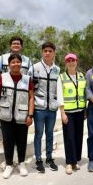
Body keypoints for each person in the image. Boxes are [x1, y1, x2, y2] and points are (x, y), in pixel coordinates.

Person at [0, 53, 34, 179]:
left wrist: (30, 115)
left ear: (21, 64)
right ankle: (9, 165)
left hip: (22, 116)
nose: (16, 64)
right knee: (8, 141)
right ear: (9, 65)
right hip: (6, 116)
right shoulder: (2, 78)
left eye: (18, 62)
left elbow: (31, 98)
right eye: (13, 62)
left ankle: (21, 164)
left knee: (22, 141)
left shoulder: (27, 79)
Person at [28, 42, 62, 173]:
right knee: (38, 134)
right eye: (45, 51)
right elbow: (29, 89)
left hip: (52, 109)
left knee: (50, 134)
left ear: (54, 53)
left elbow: (59, 90)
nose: (47, 53)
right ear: (42, 52)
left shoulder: (57, 70)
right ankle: (38, 159)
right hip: (39, 108)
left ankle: (49, 158)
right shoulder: (34, 68)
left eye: (50, 51)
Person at [59, 53, 87, 175]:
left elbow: (85, 93)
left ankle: (76, 161)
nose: (71, 62)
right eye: (68, 60)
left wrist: (86, 109)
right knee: (69, 137)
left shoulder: (81, 76)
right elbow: (60, 96)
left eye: (73, 60)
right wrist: (62, 113)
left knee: (78, 136)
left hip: (80, 111)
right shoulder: (61, 77)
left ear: (76, 62)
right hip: (68, 113)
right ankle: (69, 163)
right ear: (66, 63)